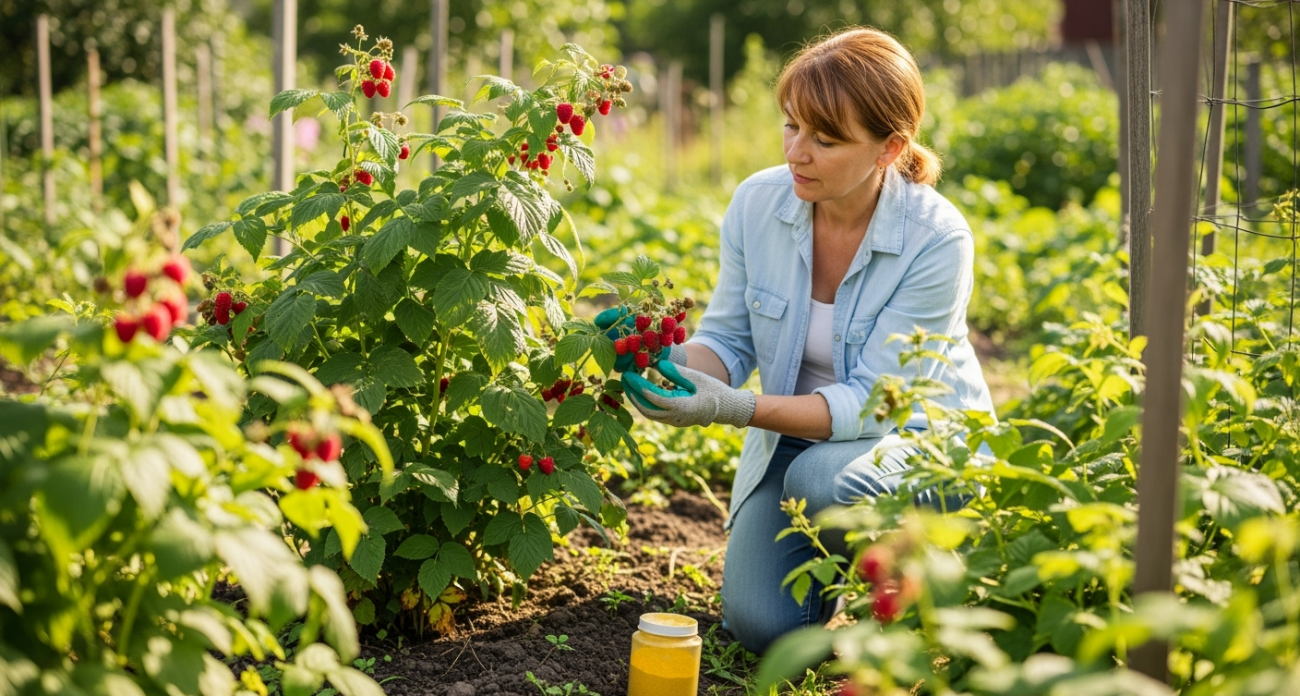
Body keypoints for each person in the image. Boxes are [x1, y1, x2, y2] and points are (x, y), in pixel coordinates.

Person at [607, 27, 996, 654]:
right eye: (791, 126)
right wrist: (665, 357)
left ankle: (918, 570)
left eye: (825, 138)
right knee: (762, 629)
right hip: (796, 442)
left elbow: (873, 403)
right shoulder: (759, 204)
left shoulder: (936, 239)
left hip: (917, 446)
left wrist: (733, 409)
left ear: (888, 149)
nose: (797, 153)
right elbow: (729, 341)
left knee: (822, 482)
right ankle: (832, 569)